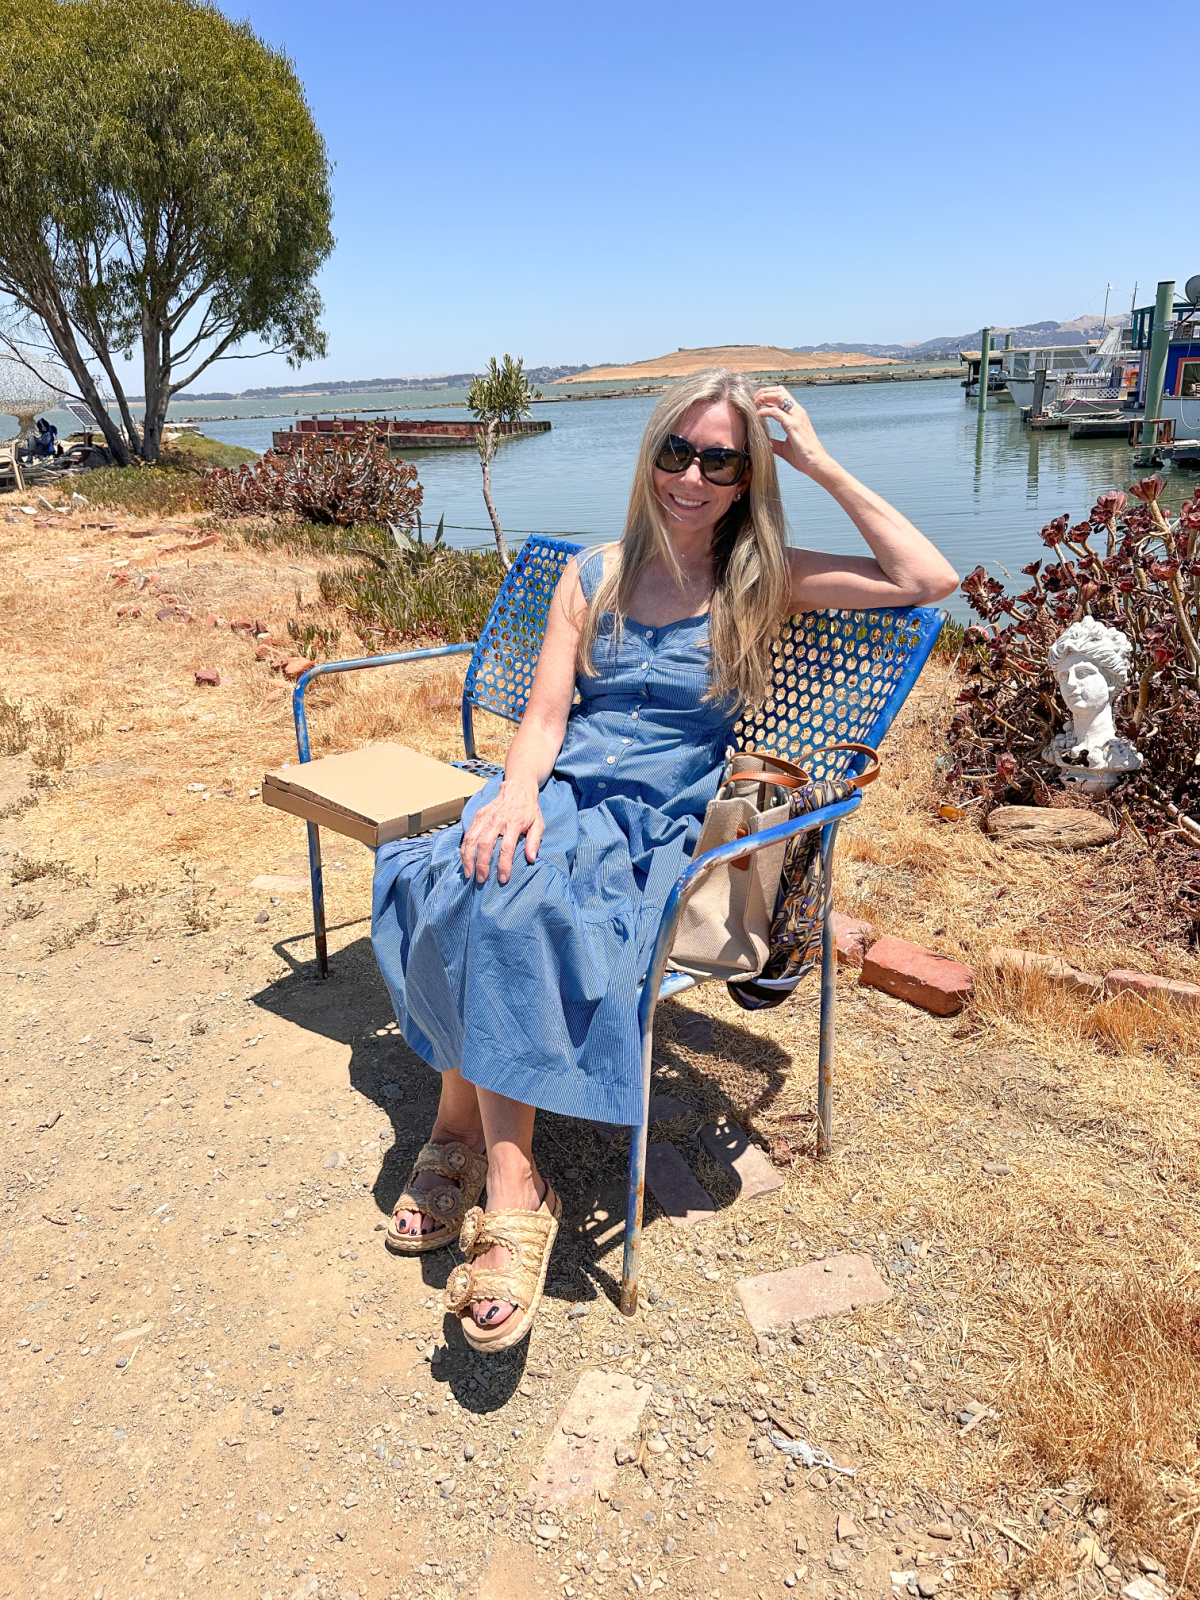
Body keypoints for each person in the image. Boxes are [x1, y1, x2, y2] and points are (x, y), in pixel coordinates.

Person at [370, 368, 958, 1351]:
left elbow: (928, 580)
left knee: (508, 903)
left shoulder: (761, 579)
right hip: (558, 792)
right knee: (462, 873)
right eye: (676, 452)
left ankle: (506, 1177)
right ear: (650, 457)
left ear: (746, 476)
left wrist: (817, 462)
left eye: (720, 461)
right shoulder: (594, 574)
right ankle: (465, 1131)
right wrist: (515, 792)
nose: (691, 476)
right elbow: (546, 717)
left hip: (650, 825)